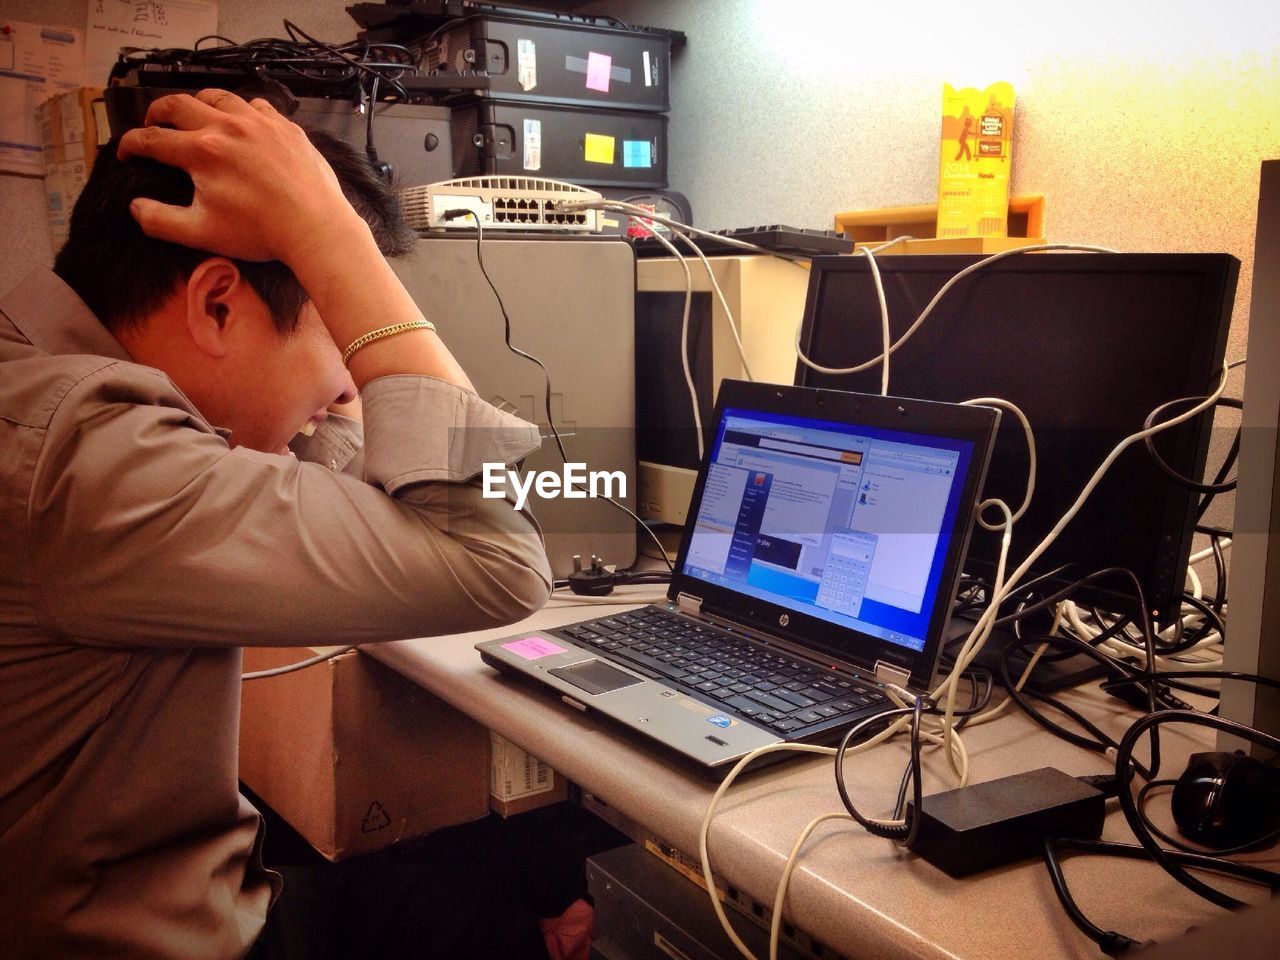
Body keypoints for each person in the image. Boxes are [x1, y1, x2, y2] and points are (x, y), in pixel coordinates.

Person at [0, 89, 554, 959]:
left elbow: (311, 479)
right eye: (341, 343)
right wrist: (333, 242)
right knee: (485, 907)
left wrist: (334, 376)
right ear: (218, 304)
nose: (349, 386)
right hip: (155, 938)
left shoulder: (43, 385)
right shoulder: (87, 453)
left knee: (445, 869)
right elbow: (492, 558)